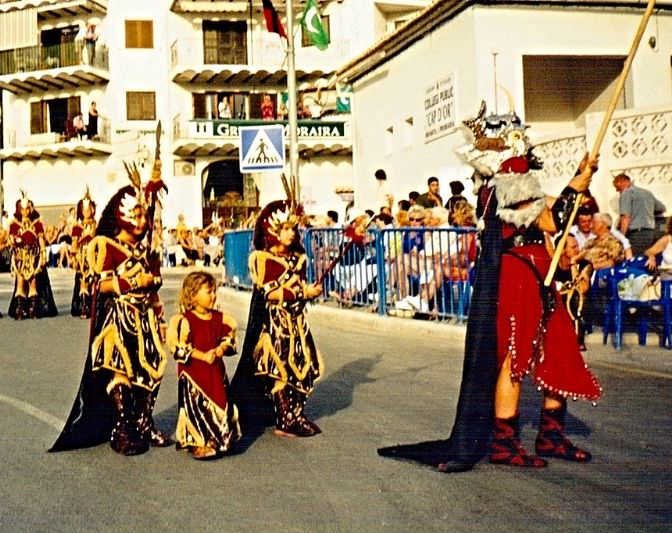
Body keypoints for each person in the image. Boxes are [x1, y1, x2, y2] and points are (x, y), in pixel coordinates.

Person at [379, 105, 601, 472]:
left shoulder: (520, 179)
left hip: (539, 271)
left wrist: (577, 186)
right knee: (515, 356)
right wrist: (574, 186)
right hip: (517, 276)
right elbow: (548, 216)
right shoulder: (506, 181)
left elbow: (547, 228)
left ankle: (551, 434)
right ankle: (504, 442)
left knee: (556, 349)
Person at [50, 160, 170, 455]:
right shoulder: (105, 245)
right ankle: (121, 426)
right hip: (118, 320)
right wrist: (131, 283)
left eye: (145, 215)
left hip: (144, 319)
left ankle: (143, 420)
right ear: (123, 215)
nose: (143, 221)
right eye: (137, 214)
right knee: (121, 371)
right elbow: (100, 285)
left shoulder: (143, 250)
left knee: (151, 369)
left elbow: (152, 286)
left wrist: (158, 308)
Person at [236, 199, 324, 437]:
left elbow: (302, 288)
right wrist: (302, 292)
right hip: (275, 325)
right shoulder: (262, 258)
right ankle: (286, 417)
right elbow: (269, 292)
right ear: (272, 230)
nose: (291, 233)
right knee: (280, 369)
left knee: (302, 368)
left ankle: (295, 413)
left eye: (293, 229)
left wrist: (311, 291)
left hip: (297, 322)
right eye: (285, 228)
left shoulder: (299, 258)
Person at [168, 271, 241, 459]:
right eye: (208, 292)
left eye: (214, 291)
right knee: (196, 410)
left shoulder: (219, 317)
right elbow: (177, 348)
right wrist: (201, 355)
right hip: (194, 375)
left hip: (215, 373)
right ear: (193, 295)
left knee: (221, 402)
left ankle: (218, 439)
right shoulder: (184, 320)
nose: (213, 296)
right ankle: (197, 442)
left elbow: (230, 336)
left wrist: (221, 349)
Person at [7, 195, 58, 320]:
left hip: (33, 258)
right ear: (19, 210)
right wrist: (15, 241)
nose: (25, 212)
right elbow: (11, 241)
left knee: (33, 282)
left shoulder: (37, 224)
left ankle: (32, 308)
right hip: (20, 258)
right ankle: (20, 308)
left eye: (28, 208)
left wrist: (43, 254)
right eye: (23, 209)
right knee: (20, 283)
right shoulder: (14, 225)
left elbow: (41, 240)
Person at [615, 173, 667, 255]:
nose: (616, 190)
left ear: (623, 182)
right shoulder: (647, 193)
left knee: (635, 261)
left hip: (635, 234)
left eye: (617, 187)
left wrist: (621, 238)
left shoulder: (626, 193)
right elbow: (662, 208)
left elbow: (625, 217)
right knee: (645, 259)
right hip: (650, 233)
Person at [70, 189, 97, 318]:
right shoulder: (77, 227)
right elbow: (74, 243)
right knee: (84, 281)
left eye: (89, 209)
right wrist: (73, 257)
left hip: (96, 257)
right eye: (84, 210)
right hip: (82, 258)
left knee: (95, 281)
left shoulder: (97, 226)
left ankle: (95, 307)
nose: (87, 212)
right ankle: (84, 307)